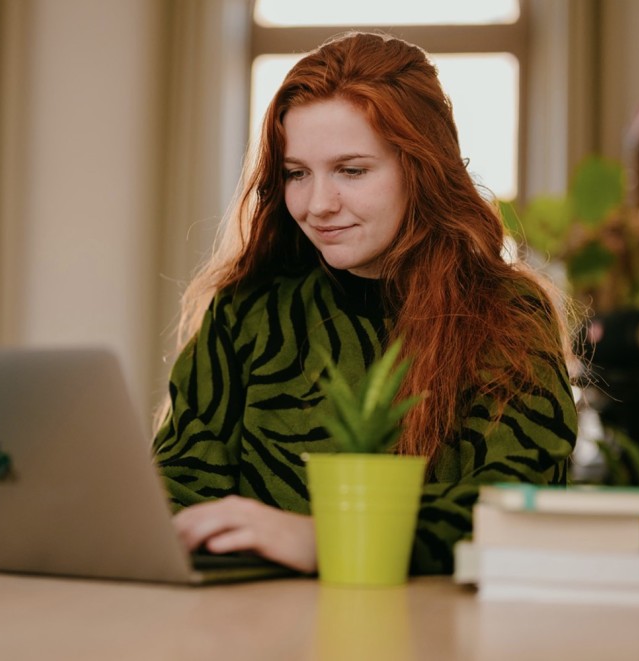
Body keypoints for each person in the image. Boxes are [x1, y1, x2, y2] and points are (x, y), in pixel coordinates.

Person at [152, 31, 578, 575]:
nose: (318, 205)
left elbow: (513, 506)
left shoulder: (506, 312)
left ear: (421, 169)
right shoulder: (247, 312)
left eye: (351, 171)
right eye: (296, 174)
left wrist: (327, 541)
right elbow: (180, 486)